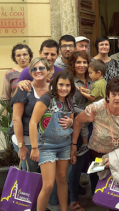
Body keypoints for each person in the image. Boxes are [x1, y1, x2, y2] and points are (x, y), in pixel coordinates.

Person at [70, 77, 119, 196]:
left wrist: (114, 157)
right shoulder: (96, 107)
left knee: (117, 192)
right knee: (98, 192)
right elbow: (77, 121)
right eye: (114, 94)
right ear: (108, 95)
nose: (117, 98)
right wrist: (74, 144)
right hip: (97, 155)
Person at [29, 70, 75, 211]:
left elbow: (71, 118)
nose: (64, 88)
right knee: (48, 185)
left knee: (62, 179)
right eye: (61, 84)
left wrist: (70, 122)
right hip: (46, 145)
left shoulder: (68, 101)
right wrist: (35, 148)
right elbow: (33, 122)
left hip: (65, 145)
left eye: (67, 85)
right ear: (55, 84)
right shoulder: (46, 98)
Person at [11, 58, 51, 172]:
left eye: (41, 68)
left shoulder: (53, 89)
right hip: (26, 140)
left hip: (48, 142)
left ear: (48, 70)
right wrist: (21, 146)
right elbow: (16, 119)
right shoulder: (24, 89)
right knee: (31, 176)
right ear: (30, 72)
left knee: (47, 177)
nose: (38, 71)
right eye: (34, 69)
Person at [67, 51, 93, 211]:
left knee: (96, 163)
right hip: (77, 125)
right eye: (78, 62)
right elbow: (70, 105)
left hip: (95, 125)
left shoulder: (93, 79)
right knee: (76, 164)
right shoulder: (69, 81)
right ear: (73, 64)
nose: (82, 65)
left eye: (84, 62)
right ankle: (73, 199)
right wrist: (88, 112)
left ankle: (99, 194)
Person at [77, 59, 107, 156]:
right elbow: (93, 92)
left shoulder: (97, 84)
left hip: (95, 110)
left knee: (83, 125)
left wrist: (81, 93)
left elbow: (92, 97)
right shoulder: (102, 82)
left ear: (99, 73)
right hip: (100, 110)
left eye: (90, 73)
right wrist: (85, 90)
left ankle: (85, 144)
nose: (89, 75)